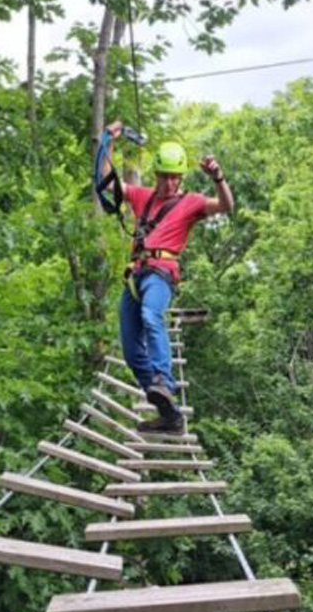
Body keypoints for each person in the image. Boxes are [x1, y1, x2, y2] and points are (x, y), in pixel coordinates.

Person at [95, 121, 235, 433]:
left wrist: (218, 178)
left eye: (176, 177)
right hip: (136, 275)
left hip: (161, 273)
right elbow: (107, 182)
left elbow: (226, 205)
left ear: (181, 177)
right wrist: (109, 141)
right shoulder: (143, 197)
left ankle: (164, 380)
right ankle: (168, 412)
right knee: (131, 349)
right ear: (157, 175)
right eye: (165, 176)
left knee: (151, 314)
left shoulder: (192, 202)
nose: (171, 183)